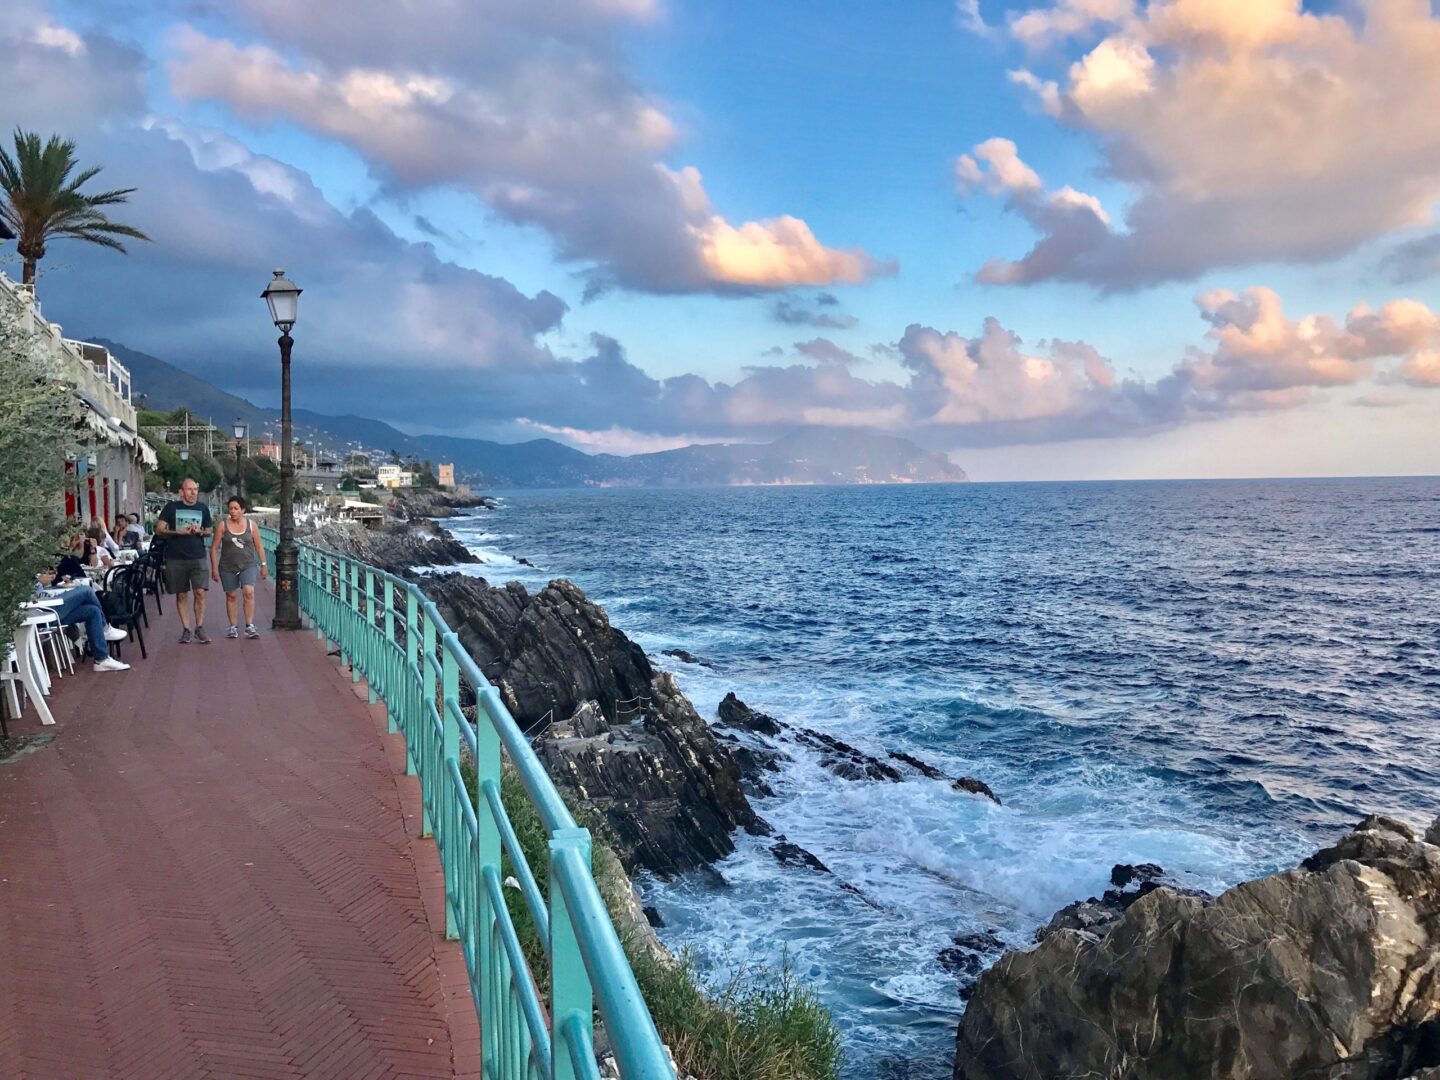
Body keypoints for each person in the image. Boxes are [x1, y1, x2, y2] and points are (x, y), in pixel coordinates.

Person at [34, 569, 129, 672]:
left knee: (93, 611)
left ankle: (101, 660)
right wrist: (39, 580)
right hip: (43, 612)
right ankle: (105, 628)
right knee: (87, 590)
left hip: (48, 608)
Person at [156, 477, 214, 644]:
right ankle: (186, 629)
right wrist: (177, 532)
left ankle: (200, 627)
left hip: (197, 555)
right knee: (181, 594)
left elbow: (209, 530)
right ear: (181, 492)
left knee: (200, 592)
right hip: (176, 557)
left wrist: (200, 531)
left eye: (195, 489)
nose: (193, 492)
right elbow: (159, 529)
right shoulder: (171, 508)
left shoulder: (203, 509)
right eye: (189, 489)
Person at [210, 495, 268, 639]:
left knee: (248, 592)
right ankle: (233, 626)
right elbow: (214, 548)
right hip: (227, 566)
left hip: (247, 565)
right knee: (231, 595)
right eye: (231, 508)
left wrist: (263, 564)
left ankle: (249, 626)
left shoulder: (251, 525)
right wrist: (214, 569)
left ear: (243, 510)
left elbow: (259, 546)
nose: (233, 511)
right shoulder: (222, 526)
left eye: (236, 508)